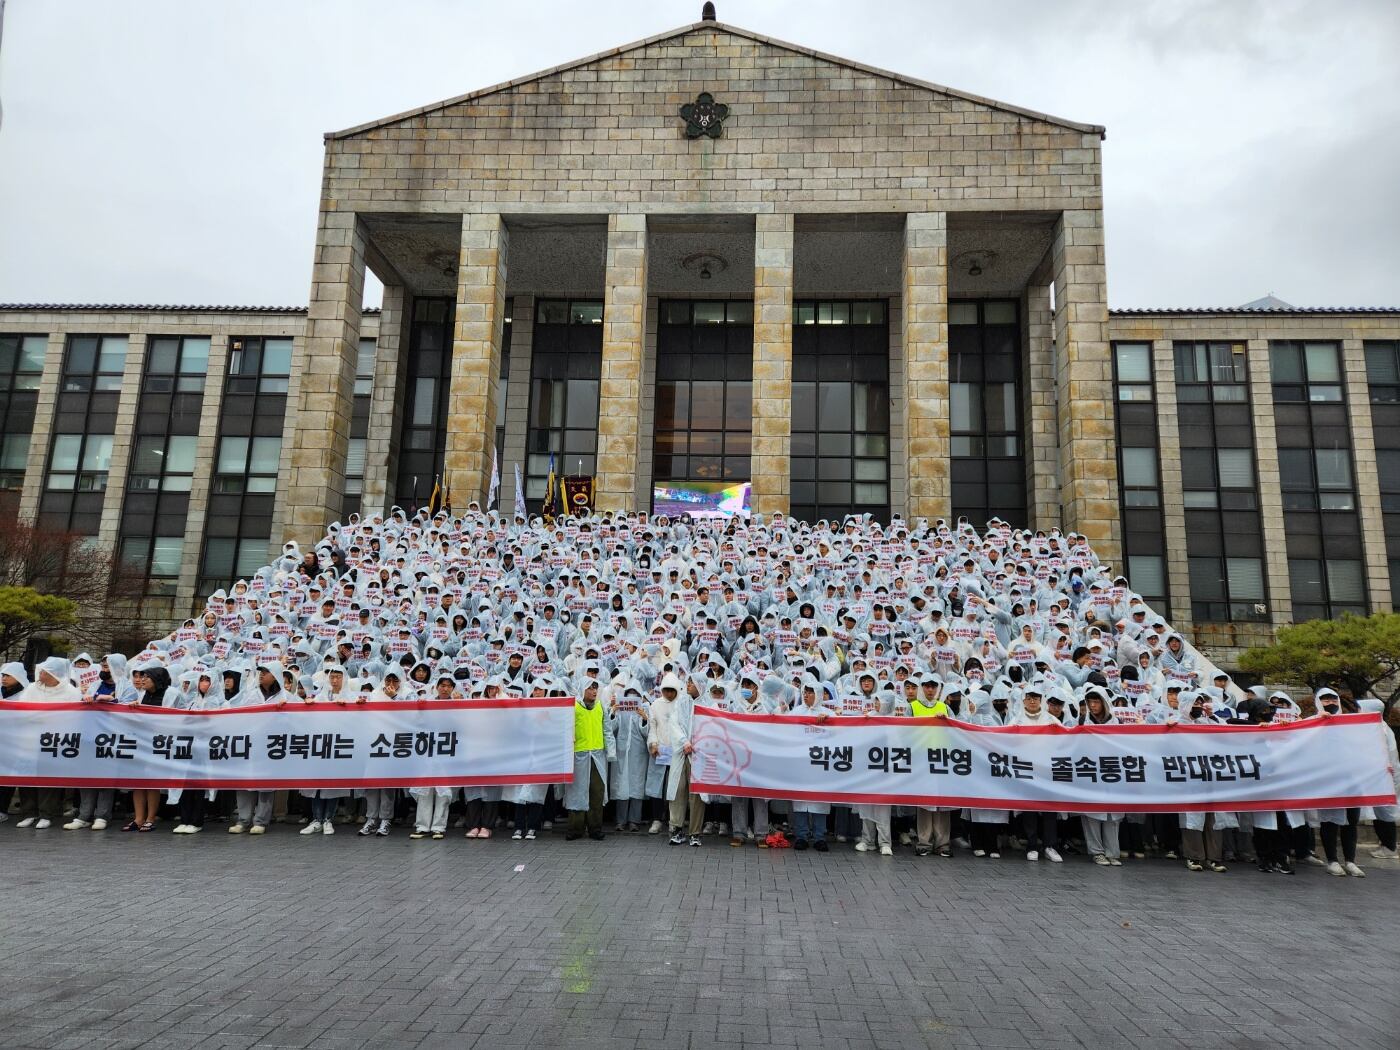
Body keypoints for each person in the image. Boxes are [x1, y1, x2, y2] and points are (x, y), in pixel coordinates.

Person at [13, 658, 80, 829]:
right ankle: (29, 812)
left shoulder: (71, 692)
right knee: (26, 775)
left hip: (53, 741)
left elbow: (74, 717)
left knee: (48, 778)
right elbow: (22, 710)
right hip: (30, 739)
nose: (40, 674)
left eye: (44, 671)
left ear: (53, 674)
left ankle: (46, 813)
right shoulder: (31, 688)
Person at [565, 679, 616, 840]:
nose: (594, 691)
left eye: (595, 688)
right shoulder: (573, 707)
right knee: (577, 793)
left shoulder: (601, 707)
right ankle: (575, 829)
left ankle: (595, 828)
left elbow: (607, 730)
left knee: (596, 792)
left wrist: (611, 752)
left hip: (597, 756)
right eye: (590, 688)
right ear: (582, 689)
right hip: (578, 756)